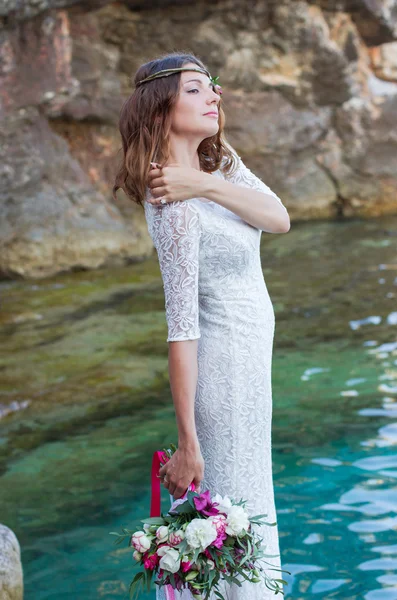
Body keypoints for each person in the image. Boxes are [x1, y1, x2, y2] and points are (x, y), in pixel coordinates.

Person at [113, 52, 290, 600]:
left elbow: (278, 218)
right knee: (235, 520)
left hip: (249, 370)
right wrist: (187, 440)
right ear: (160, 106)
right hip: (224, 376)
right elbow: (182, 328)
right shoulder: (172, 205)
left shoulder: (219, 163)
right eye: (196, 89)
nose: (215, 96)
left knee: (249, 509)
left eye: (212, 86)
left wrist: (206, 184)